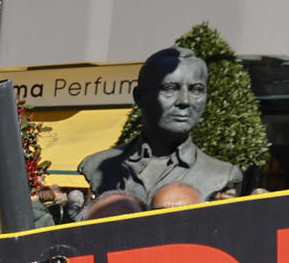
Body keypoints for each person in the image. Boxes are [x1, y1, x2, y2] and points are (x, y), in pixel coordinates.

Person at [79, 47, 244, 203]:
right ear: (139, 96)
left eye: (196, 90)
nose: (185, 101)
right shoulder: (97, 165)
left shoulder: (222, 174)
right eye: (170, 88)